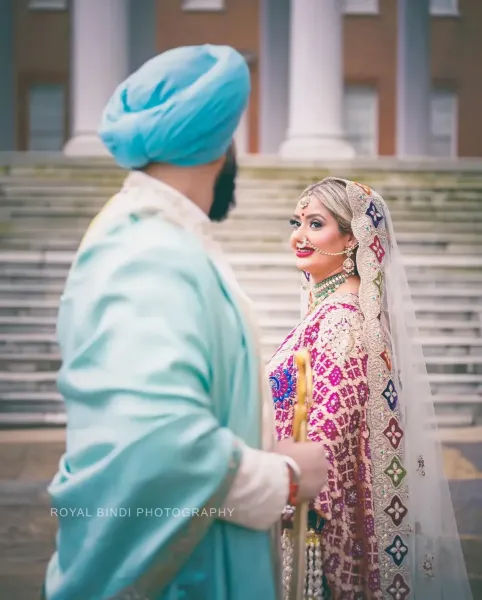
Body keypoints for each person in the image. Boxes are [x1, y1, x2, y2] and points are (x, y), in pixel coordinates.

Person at [42, 45, 328, 600]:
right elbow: (160, 448)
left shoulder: (156, 238)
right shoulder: (147, 250)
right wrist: (286, 479)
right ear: (220, 148)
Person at [268, 178, 473, 599]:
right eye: (297, 221)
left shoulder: (342, 321)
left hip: (313, 521)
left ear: (351, 239)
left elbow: (327, 436)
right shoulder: (330, 312)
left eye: (315, 223)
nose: (298, 236)